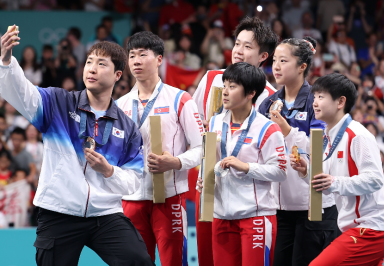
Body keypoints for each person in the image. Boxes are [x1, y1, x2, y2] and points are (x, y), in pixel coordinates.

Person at [0, 25, 154, 266]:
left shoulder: (127, 128)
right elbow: (22, 93)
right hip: (59, 211)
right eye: (89, 61)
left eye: (101, 64)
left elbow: (134, 180)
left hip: (105, 214)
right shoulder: (58, 102)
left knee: (139, 260)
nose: (92, 68)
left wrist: (109, 171)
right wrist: (6, 61)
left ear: (117, 75)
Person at [192, 16, 278, 266]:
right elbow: (195, 125)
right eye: (237, 44)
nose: (238, 51)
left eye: (247, 46)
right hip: (209, 184)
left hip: (248, 195)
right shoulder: (210, 79)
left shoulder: (270, 97)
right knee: (209, 257)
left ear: (263, 56)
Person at [291, 73, 384, 265]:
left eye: (321, 97)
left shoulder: (357, 135)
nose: (314, 102)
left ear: (340, 102)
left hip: (372, 229)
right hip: (357, 228)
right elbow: (324, 184)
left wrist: (334, 182)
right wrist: (306, 171)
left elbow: (374, 179)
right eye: (314, 97)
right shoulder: (327, 138)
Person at [116, 31, 203, 266]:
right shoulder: (118, 105)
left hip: (169, 198)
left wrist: (175, 162)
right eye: (131, 55)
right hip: (130, 199)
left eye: (143, 54)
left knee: (174, 262)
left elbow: (201, 148)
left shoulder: (181, 99)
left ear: (159, 59)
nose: (135, 60)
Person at [258, 36, 340, 266]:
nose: (276, 66)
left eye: (283, 60)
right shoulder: (267, 104)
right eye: (274, 60)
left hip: (314, 207)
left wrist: (286, 129)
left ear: (302, 66)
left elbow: (321, 150)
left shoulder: (319, 101)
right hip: (280, 209)